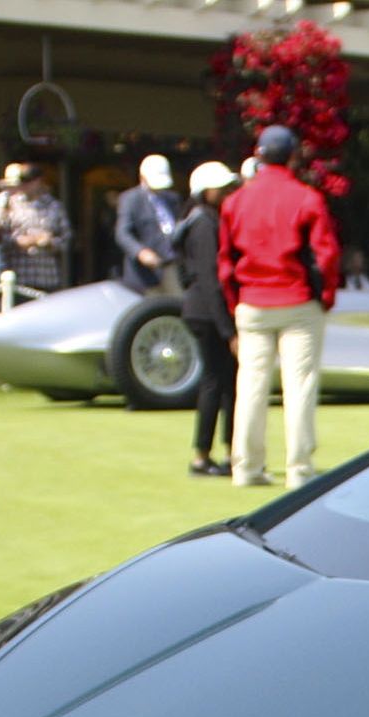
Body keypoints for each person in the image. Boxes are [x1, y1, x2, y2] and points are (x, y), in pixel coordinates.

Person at [218, 124, 338, 489]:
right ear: (293, 155)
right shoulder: (307, 198)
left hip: (252, 300)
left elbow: (225, 261)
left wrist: (233, 302)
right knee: (299, 385)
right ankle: (299, 469)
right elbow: (327, 253)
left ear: (258, 154)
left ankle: (246, 467)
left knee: (251, 385)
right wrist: (327, 295)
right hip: (297, 300)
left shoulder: (234, 201)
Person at [177, 160, 239, 477]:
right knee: (217, 382)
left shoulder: (201, 219)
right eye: (223, 188)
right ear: (206, 191)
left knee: (224, 383)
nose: (229, 193)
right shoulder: (204, 224)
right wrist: (229, 331)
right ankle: (203, 456)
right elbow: (210, 278)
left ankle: (228, 452)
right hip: (208, 313)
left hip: (204, 310)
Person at [0, 162, 69, 292]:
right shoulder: (9, 203)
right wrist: (18, 241)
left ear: (38, 181)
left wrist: (50, 242)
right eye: (21, 181)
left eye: (27, 181)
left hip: (47, 277)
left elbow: (66, 238)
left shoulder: (54, 206)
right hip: (18, 278)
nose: (23, 185)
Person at [113, 154, 181, 290]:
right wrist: (141, 252)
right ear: (142, 177)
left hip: (172, 267)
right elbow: (122, 233)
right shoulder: (130, 199)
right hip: (144, 274)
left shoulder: (173, 199)